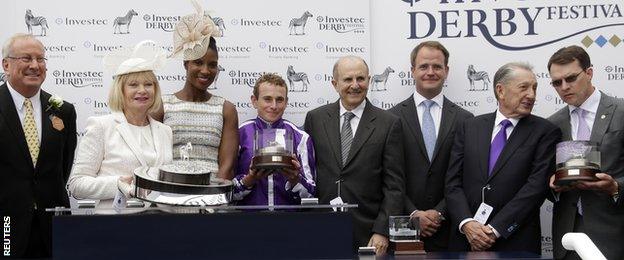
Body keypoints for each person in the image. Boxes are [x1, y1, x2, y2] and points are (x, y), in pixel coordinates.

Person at [445, 62, 561, 254]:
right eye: (523, 87)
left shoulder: (545, 132)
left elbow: (535, 187)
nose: (531, 95)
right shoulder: (469, 127)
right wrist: (467, 224)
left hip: (516, 242)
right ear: (501, 90)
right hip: (465, 241)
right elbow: (452, 183)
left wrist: (494, 230)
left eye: (534, 88)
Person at [304, 56, 405, 256]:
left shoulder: (389, 123)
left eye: (361, 79)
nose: (355, 85)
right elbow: (308, 175)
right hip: (321, 228)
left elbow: (394, 186)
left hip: (368, 234)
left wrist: (382, 230)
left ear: (369, 81)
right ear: (335, 84)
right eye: (348, 79)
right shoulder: (315, 118)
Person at [67, 41, 173, 210]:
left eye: (148, 84)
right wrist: (117, 184)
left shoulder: (165, 131)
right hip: (115, 224)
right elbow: (77, 184)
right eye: (133, 85)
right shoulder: (101, 126)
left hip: (161, 222)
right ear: (120, 90)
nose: (142, 90)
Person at [389, 41, 473, 252]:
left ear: (446, 71)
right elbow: (389, 176)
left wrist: (439, 212)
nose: (430, 72)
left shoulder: (465, 119)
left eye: (437, 66)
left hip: (450, 229)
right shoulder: (391, 118)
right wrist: (413, 213)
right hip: (404, 228)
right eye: (424, 66)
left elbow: (467, 175)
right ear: (412, 71)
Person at [0, 33, 77, 258]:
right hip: (6, 226)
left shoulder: (63, 110)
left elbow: (63, 167)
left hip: (52, 226)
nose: (35, 65)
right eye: (26, 58)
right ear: (6, 64)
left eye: (40, 59)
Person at [546, 45, 623, 260]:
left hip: (613, 235)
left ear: (589, 73)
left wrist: (615, 187)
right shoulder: (552, 124)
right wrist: (552, 185)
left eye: (571, 78)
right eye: (556, 83)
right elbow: (541, 177)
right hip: (567, 237)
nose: (564, 87)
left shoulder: (621, 112)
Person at [154, 3, 238, 180]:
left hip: (212, 200)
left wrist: (211, 196)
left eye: (212, 65)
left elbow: (227, 166)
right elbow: (152, 159)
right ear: (186, 63)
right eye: (198, 62)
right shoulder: (162, 105)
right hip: (170, 195)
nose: (206, 71)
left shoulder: (226, 109)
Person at [233, 73, 315, 206]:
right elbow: (227, 193)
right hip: (247, 220)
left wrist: (295, 179)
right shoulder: (240, 134)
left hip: (289, 221)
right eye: (267, 99)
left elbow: (311, 196)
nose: (274, 106)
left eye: (279, 100)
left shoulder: (301, 138)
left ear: (286, 102)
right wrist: (250, 179)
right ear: (254, 101)